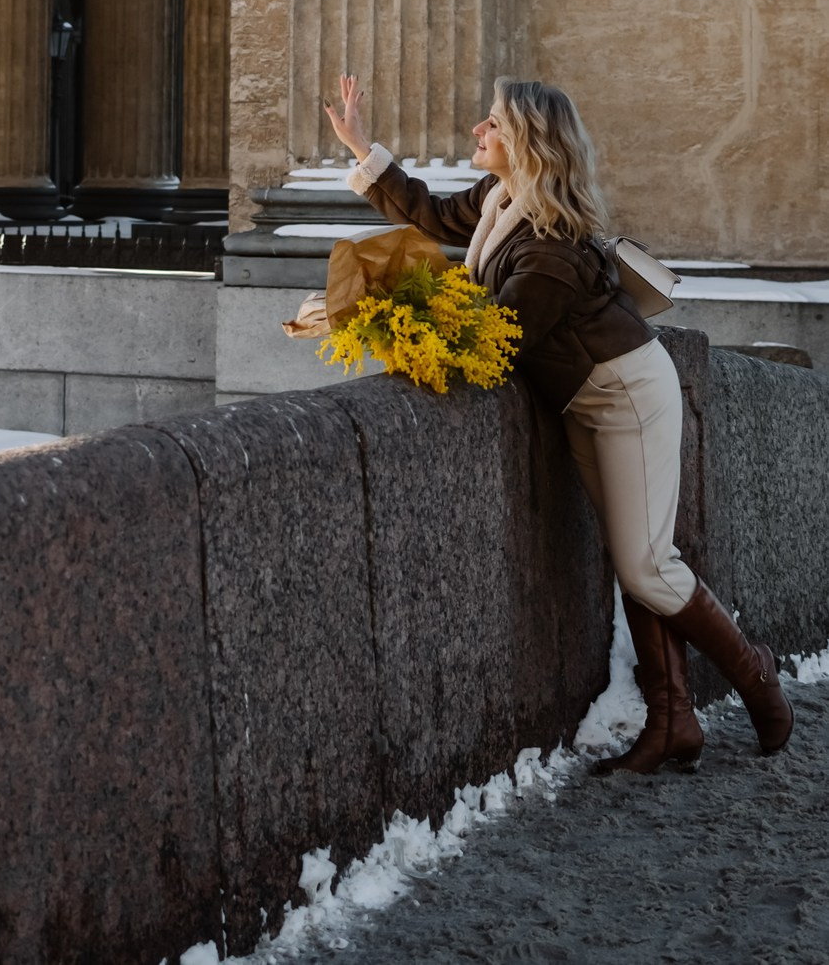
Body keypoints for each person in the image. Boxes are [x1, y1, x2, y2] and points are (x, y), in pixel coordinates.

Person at [324, 72, 793, 775]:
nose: (477, 133)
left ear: (527, 145)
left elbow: (491, 337)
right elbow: (431, 214)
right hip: (585, 398)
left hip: (628, 394)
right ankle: (673, 723)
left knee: (646, 564)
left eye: (491, 125)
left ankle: (755, 677)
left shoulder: (550, 250)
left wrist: (379, 318)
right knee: (637, 561)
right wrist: (363, 146)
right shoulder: (499, 199)